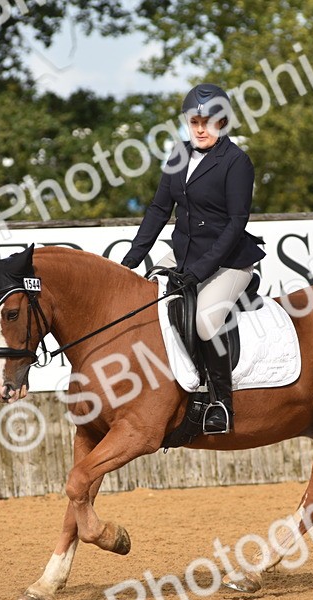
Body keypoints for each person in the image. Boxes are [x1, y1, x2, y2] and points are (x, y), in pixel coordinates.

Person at [121, 83, 266, 435]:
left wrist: (200, 271)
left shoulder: (236, 161)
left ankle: (220, 404)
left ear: (223, 122)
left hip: (230, 260)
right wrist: (130, 260)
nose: (200, 128)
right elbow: (158, 210)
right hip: (184, 253)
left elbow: (236, 223)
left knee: (204, 321)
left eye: (209, 121)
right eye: (194, 121)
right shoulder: (178, 155)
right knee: (144, 301)